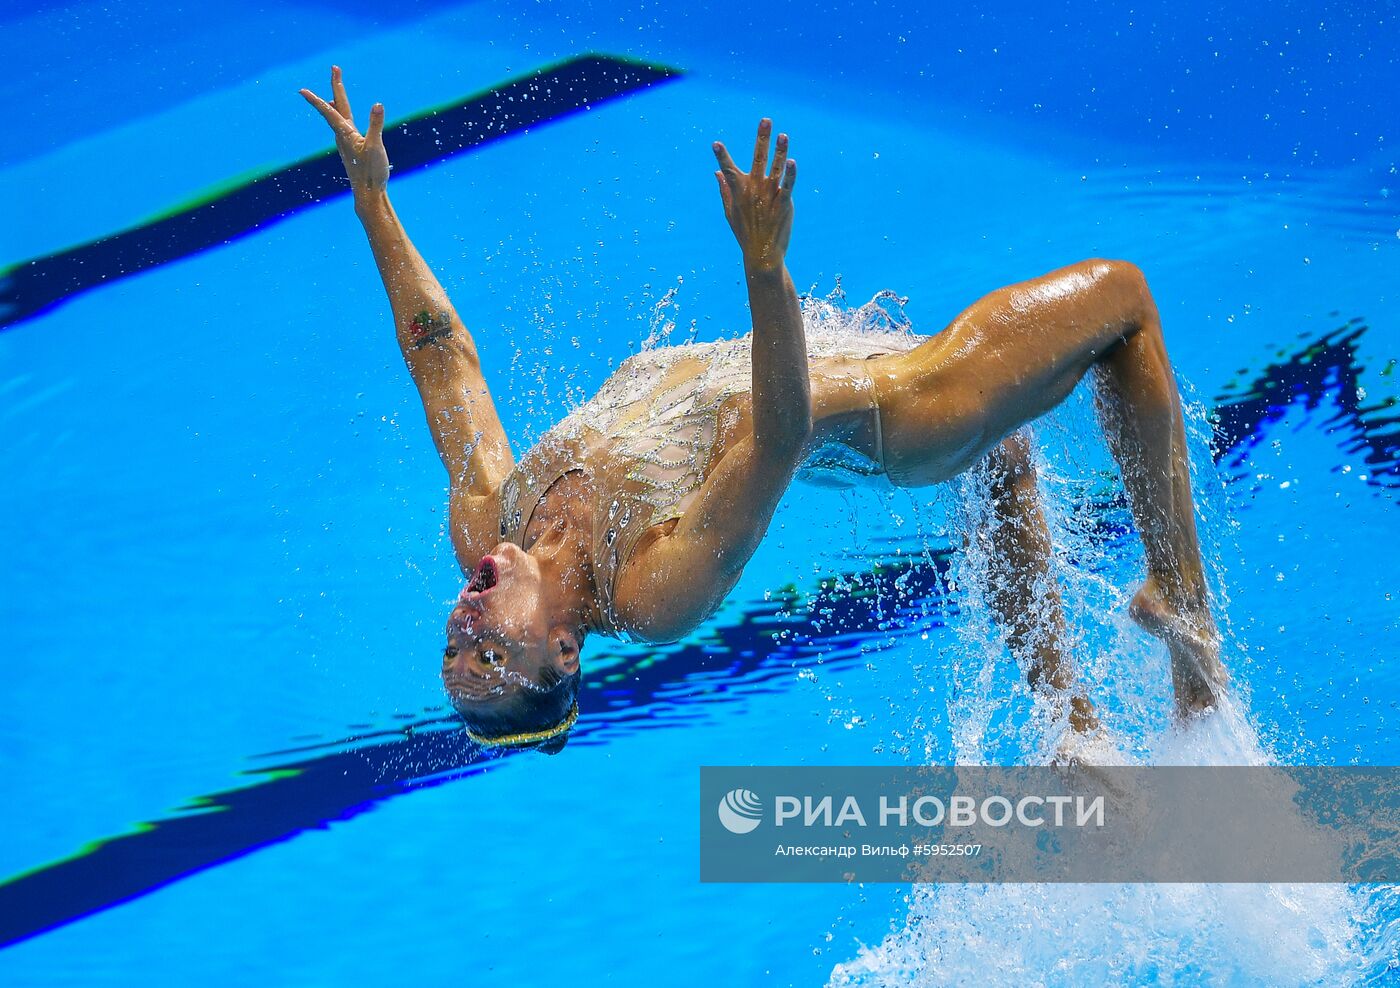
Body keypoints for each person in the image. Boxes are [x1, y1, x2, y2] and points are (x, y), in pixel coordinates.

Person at [300, 67, 1226, 753]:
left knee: (1006, 457)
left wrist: (373, 202)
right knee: (1124, 304)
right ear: (563, 650)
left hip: (822, 368)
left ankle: (1070, 718)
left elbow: (442, 359)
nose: (464, 633)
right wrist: (764, 266)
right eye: (492, 659)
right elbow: (778, 433)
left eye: (455, 653)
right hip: (893, 411)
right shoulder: (650, 595)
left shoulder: (487, 523)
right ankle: (1179, 592)